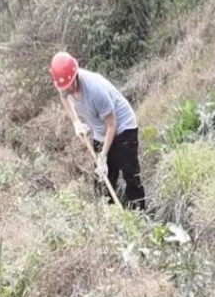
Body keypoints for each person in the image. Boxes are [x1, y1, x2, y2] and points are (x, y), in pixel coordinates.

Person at [50, 51, 146, 211]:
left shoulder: (95, 89)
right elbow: (63, 97)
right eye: (65, 88)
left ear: (75, 75)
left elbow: (112, 124)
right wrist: (76, 122)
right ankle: (110, 216)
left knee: (130, 174)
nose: (69, 90)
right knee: (102, 180)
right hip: (101, 132)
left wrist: (103, 156)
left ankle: (140, 215)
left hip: (123, 129)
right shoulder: (64, 85)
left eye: (71, 85)